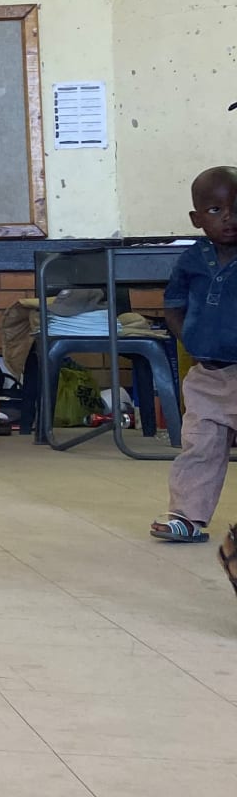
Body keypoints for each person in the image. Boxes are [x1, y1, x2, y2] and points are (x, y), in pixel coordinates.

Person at [149, 167, 237, 571]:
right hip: (206, 374)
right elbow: (173, 305)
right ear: (196, 218)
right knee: (200, 443)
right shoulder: (192, 259)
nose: (229, 218)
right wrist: (192, 341)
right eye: (216, 209)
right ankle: (188, 516)